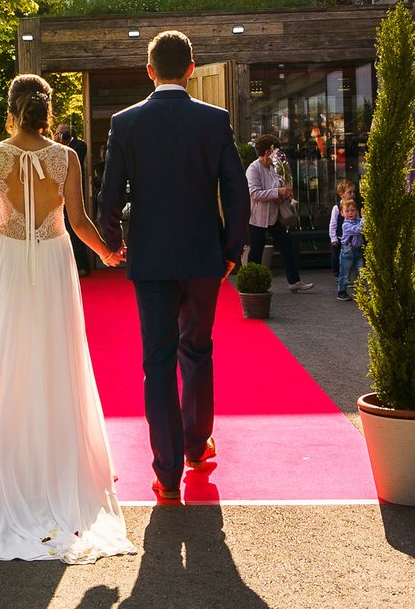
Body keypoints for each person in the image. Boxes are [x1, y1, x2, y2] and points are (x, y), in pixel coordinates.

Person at [0, 74, 134, 563]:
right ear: (48, 110)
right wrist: (108, 254)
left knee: (10, 358)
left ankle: (15, 469)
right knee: (58, 358)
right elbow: (79, 222)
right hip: (52, 261)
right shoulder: (65, 157)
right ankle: (61, 469)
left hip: (12, 260)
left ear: (11, 108)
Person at [97, 30, 250, 504]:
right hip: (204, 256)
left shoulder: (125, 123)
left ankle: (165, 475)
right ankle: (196, 448)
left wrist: (116, 243)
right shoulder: (214, 120)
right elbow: (237, 191)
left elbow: (108, 198)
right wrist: (231, 250)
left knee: (157, 362)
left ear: (149, 70)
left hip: (152, 259)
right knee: (197, 350)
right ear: (191, 67)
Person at [246, 135, 314, 293]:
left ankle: (294, 281)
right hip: (259, 217)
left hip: (275, 215)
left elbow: (278, 186)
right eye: (275, 151)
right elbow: (254, 193)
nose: (277, 155)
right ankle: (252, 285)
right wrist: (278, 191)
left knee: (286, 246)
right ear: (267, 151)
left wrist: (285, 193)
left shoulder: (273, 168)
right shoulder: (253, 168)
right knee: (256, 249)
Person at [55, 122, 92, 277]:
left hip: (74, 193)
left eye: (66, 132)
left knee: (76, 227)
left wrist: (63, 143)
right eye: (59, 133)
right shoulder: (53, 148)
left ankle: (83, 265)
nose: (63, 136)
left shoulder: (79, 145)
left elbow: (75, 157)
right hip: (56, 194)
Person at [335, 196, 365, 300]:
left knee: (361, 272)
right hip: (347, 251)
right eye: (347, 211)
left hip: (358, 250)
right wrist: (364, 219)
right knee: (344, 273)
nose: (350, 213)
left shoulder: (359, 220)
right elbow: (359, 229)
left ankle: (361, 292)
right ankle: (341, 292)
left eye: (352, 210)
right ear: (342, 213)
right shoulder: (345, 225)